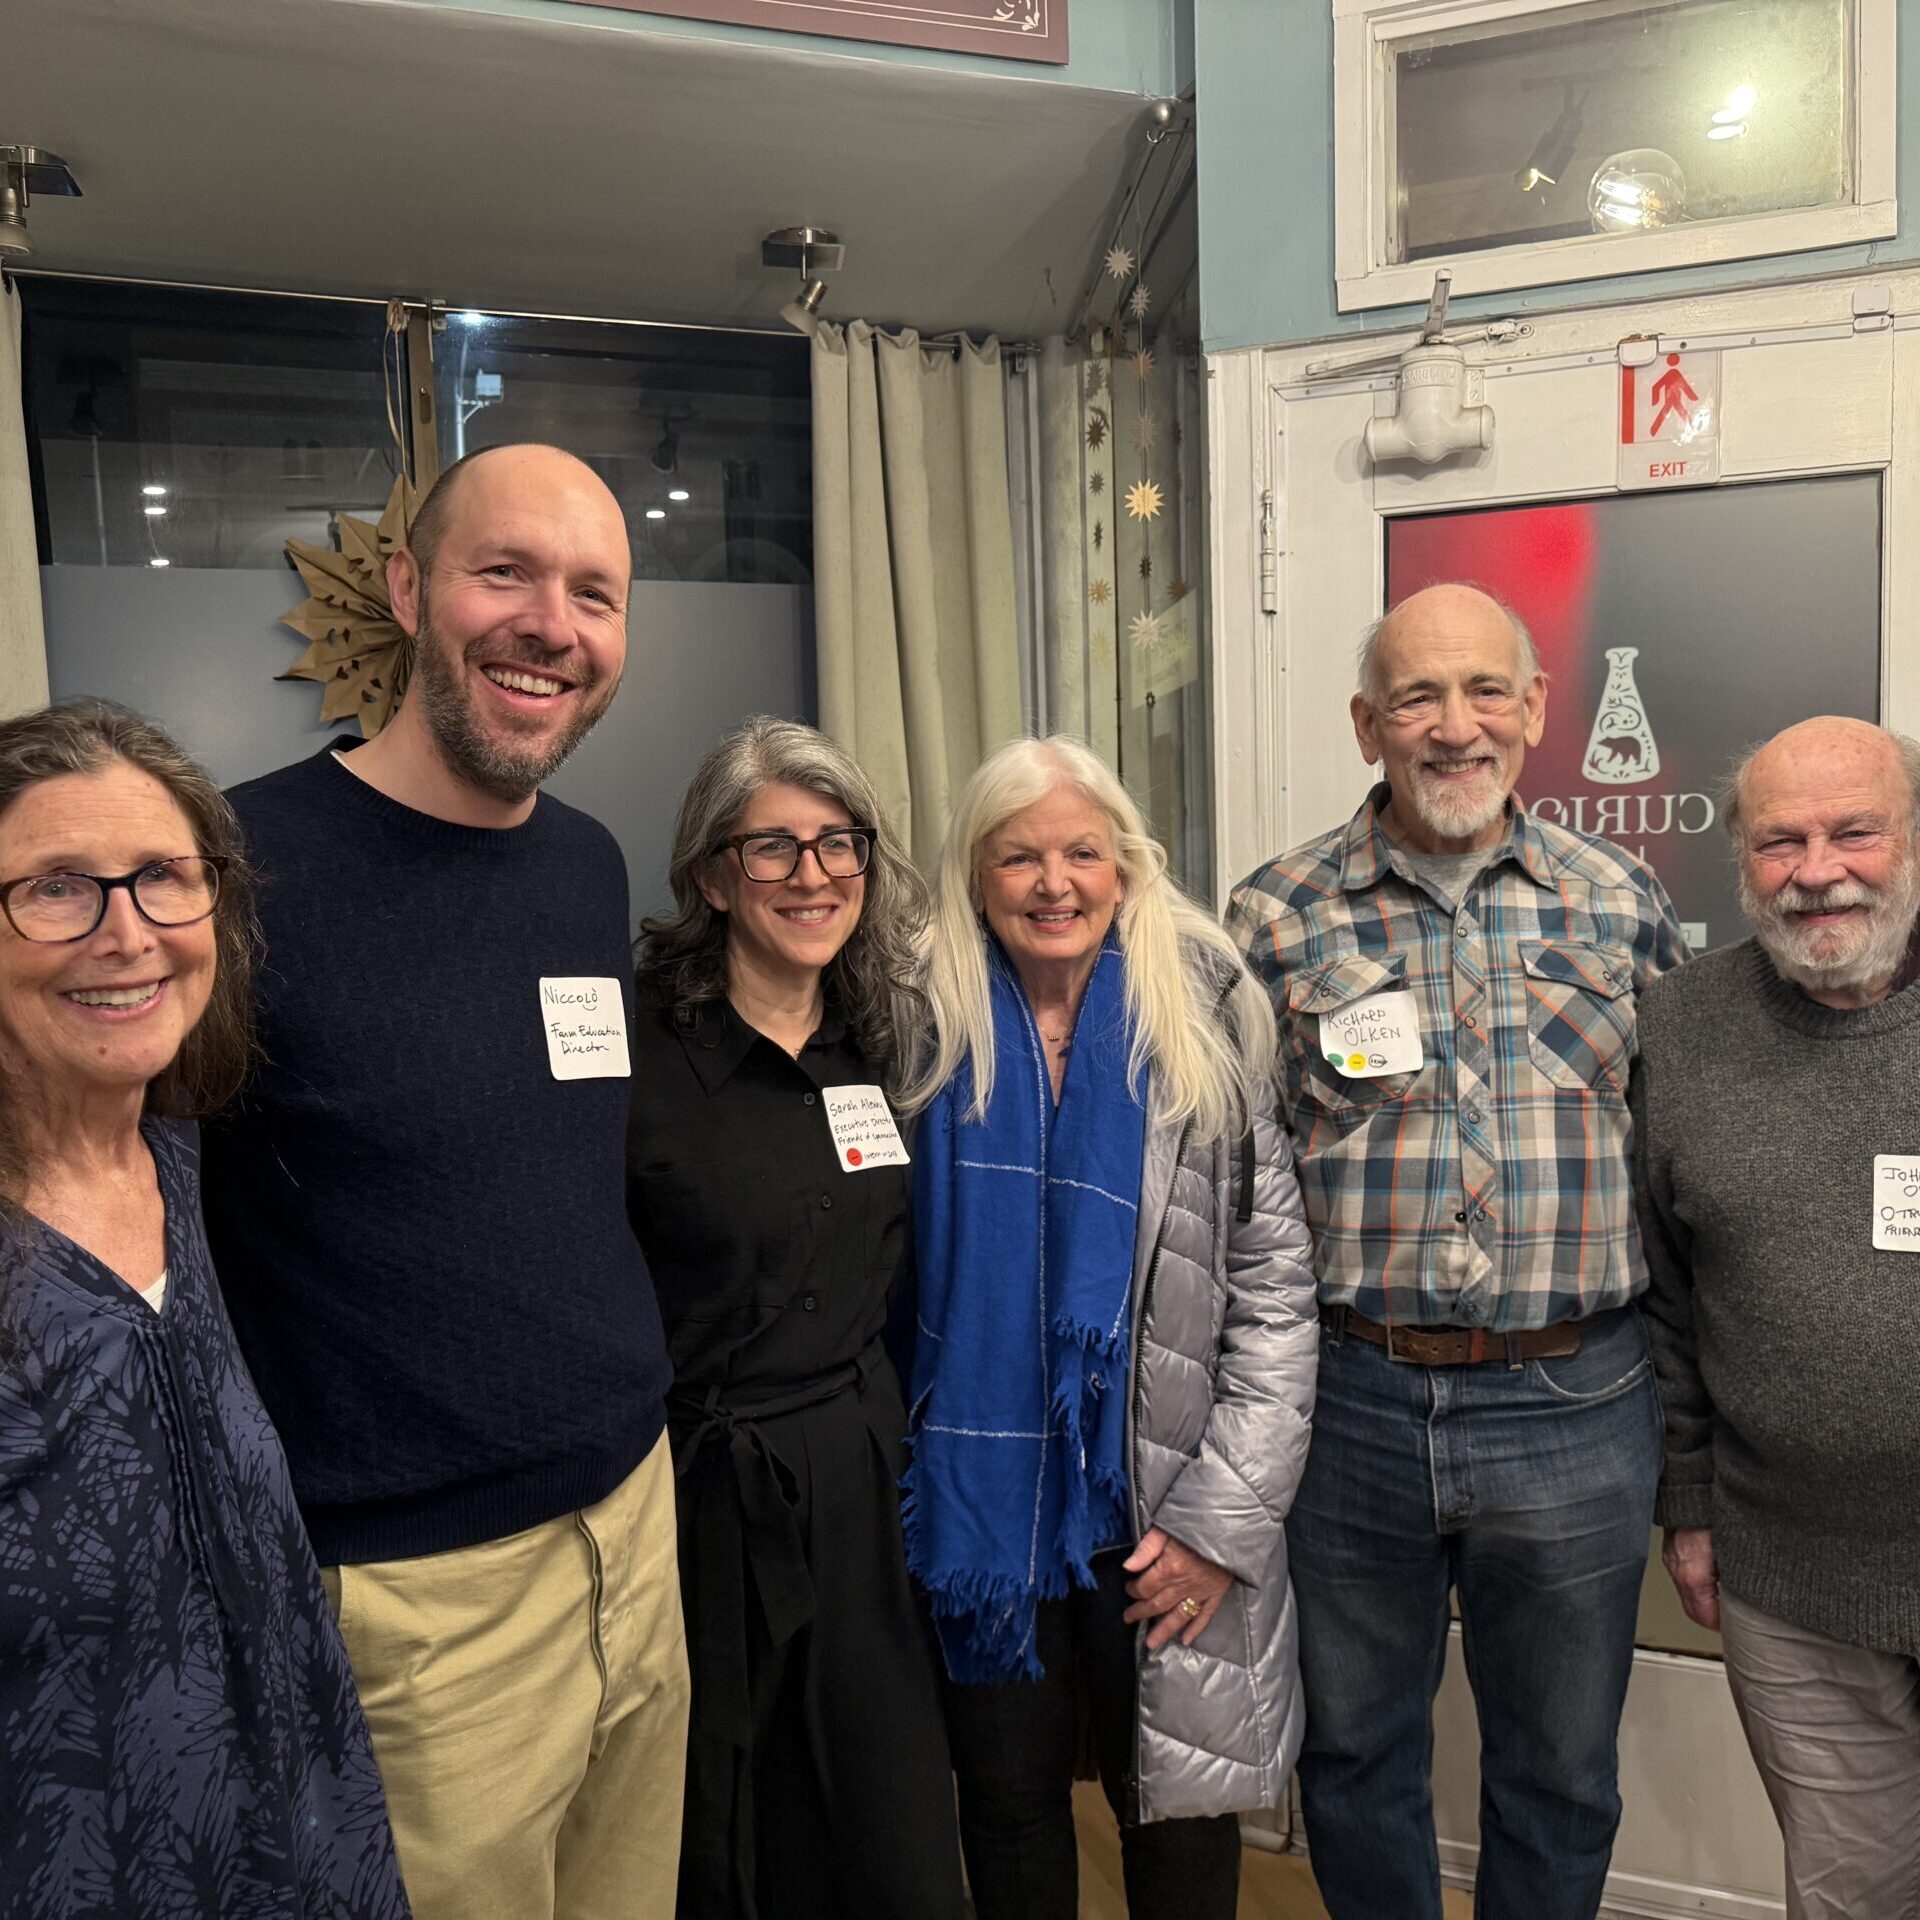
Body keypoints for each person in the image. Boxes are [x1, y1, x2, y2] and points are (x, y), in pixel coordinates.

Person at [200, 443, 687, 1920]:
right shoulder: (238, 872)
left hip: (636, 1530)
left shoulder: (589, 867)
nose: (552, 625)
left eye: (593, 593)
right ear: (410, 589)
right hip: (420, 1604)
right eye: (505, 573)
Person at [1227, 583, 1690, 1920]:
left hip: (1577, 1401)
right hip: (1352, 1404)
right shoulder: (1274, 918)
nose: (1454, 725)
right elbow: (1228, 1178)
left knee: (1560, 1769)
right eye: (1418, 696)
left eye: (1487, 690)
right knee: (1355, 1752)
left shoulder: (1625, 905)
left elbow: (1671, 1157)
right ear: (1368, 724)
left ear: (1539, 713)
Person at [0, 699, 410, 1920]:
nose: (127, 934)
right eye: (56, 887)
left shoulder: (176, 1157)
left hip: (305, 1842)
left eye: (165, 879)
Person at [901, 733, 1319, 1920]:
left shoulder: (1205, 1018)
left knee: (1176, 1822)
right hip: (983, 1510)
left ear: (1126, 865)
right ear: (975, 875)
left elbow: (1278, 1298)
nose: (1054, 883)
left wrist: (1219, 1528)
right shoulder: (915, 1022)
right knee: (1008, 1808)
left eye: (1083, 851)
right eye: (1019, 856)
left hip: (1169, 1507)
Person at [626, 716, 965, 1919]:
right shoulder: (632, 1049)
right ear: (713, 874)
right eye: (772, 847)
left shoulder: (880, 1039)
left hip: (858, 1473)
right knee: (724, 1824)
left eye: (839, 844)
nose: (813, 874)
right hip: (694, 1491)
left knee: (887, 1821)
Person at [1636, 715, 1920, 1920]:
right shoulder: (1681, 1029)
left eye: (1854, 831)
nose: (1818, 871)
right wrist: (1690, 1504)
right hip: (1791, 1575)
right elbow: (1664, 1298)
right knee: (1852, 1895)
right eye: (1778, 841)